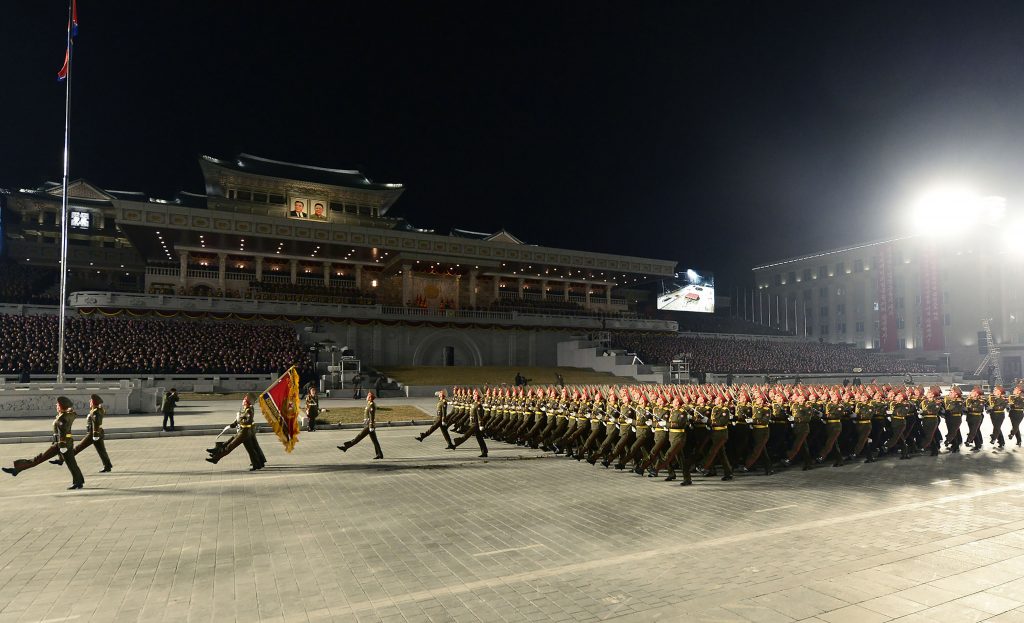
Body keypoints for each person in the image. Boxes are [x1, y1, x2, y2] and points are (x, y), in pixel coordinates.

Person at [3, 396, 85, 489]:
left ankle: (17, 469)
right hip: (67, 442)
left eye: (58, 405)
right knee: (71, 463)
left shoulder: (62, 419)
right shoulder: (69, 415)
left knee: (40, 458)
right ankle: (79, 481)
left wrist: (62, 445)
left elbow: (62, 433)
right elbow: (73, 413)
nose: (56, 406)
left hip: (61, 444)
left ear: (61, 406)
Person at [50, 394, 113, 473]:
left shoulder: (96, 411)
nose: (90, 402)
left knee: (78, 448)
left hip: (92, 434)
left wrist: (95, 434)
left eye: (91, 401)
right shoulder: (98, 409)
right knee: (101, 450)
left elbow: (97, 422)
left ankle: (62, 459)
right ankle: (107, 465)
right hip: (95, 433)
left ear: (93, 402)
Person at [206, 394, 265, 470]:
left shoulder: (248, 410)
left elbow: (248, 421)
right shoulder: (244, 408)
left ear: (247, 402)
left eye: (245, 400)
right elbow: (240, 417)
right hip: (242, 431)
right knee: (249, 449)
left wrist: (239, 420)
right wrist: (234, 424)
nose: (243, 401)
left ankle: (216, 457)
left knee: (230, 446)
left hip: (244, 432)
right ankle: (257, 464)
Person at [338, 392, 383, 459]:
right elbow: (367, 415)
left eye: (368, 396)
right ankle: (379, 454)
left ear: (370, 398)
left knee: (359, 437)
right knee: (375, 440)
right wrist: (365, 420)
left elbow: (372, 416)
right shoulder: (369, 404)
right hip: (369, 425)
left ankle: (346, 447)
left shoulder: (371, 405)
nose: (367, 397)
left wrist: (371, 426)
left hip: (369, 426)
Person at [450, 389, 488, 457]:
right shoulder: (474, 403)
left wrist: (480, 425)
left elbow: (479, 416)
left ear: (478, 396)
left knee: (466, 435)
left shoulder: (478, 405)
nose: (474, 396)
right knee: (479, 438)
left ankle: (455, 444)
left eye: (476, 395)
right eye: (474, 395)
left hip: (475, 424)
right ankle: (484, 452)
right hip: (473, 423)